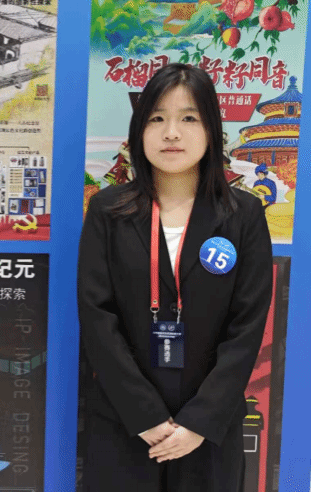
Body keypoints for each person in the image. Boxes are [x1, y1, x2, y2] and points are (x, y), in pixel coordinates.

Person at [77, 63, 272, 492]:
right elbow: (97, 318)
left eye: (188, 118)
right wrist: (144, 415)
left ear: (211, 130)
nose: (171, 133)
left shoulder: (243, 215)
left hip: (208, 430)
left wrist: (200, 421)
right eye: (156, 118)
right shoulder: (108, 211)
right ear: (139, 130)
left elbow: (247, 328)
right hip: (125, 423)